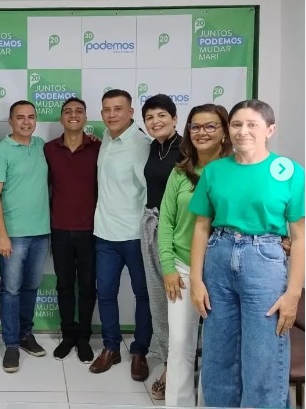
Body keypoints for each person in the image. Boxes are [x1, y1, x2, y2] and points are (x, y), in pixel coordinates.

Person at [189, 99, 305, 407]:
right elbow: (201, 227)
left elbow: (299, 236)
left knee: (263, 355)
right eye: (236, 124)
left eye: (252, 124)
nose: (243, 131)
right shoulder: (214, 171)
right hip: (219, 256)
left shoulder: (289, 172)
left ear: (270, 130)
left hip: (264, 261)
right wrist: (196, 281)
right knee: (218, 354)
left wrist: (293, 293)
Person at [158, 104, 232, 406]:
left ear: (225, 131)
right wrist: (168, 267)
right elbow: (166, 222)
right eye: (195, 126)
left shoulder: (235, 171)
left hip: (224, 270)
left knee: (217, 348)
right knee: (179, 344)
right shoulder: (179, 172)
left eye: (210, 126)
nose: (202, 132)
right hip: (183, 268)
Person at [89, 89, 153, 382]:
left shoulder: (141, 144)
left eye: (118, 109)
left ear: (131, 112)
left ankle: (139, 351)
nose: (111, 114)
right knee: (105, 293)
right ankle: (111, 347)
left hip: (135, 234)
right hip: (104, 233)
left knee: (143, 295)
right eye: (106, 109)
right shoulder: (106, 137)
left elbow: (149, 191)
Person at [0, 100, 50, 373]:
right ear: (11, 121)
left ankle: (25, 335)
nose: (26, 122)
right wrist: (2, 235)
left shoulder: (41, 146)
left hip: (41, 232)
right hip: (13, 235)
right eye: (20, 117)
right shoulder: (1, 152)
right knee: (10, 291)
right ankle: (11, 344)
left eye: (31, 117)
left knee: (30, 288)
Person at [44, 97, 99, 363]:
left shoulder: (99, 148)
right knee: (64, 285)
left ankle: (84, 337)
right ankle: (68, 335)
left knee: (88, 285)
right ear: (61, 118)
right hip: (60, 228)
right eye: (68, 111)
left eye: (79, 111)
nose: (73, 115)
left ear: (86, 117)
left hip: (91, 229)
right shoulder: (49, 149)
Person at [139, 94, 183, 399]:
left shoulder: (188, 149)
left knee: (180, 301)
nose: (155, 122)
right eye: (150, 117)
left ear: (175, 118)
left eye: (161, 115)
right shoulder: (153, 147)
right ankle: (169, 360)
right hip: (152, 227)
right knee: (159, 300)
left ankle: (180, 366)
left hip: (180, 232)